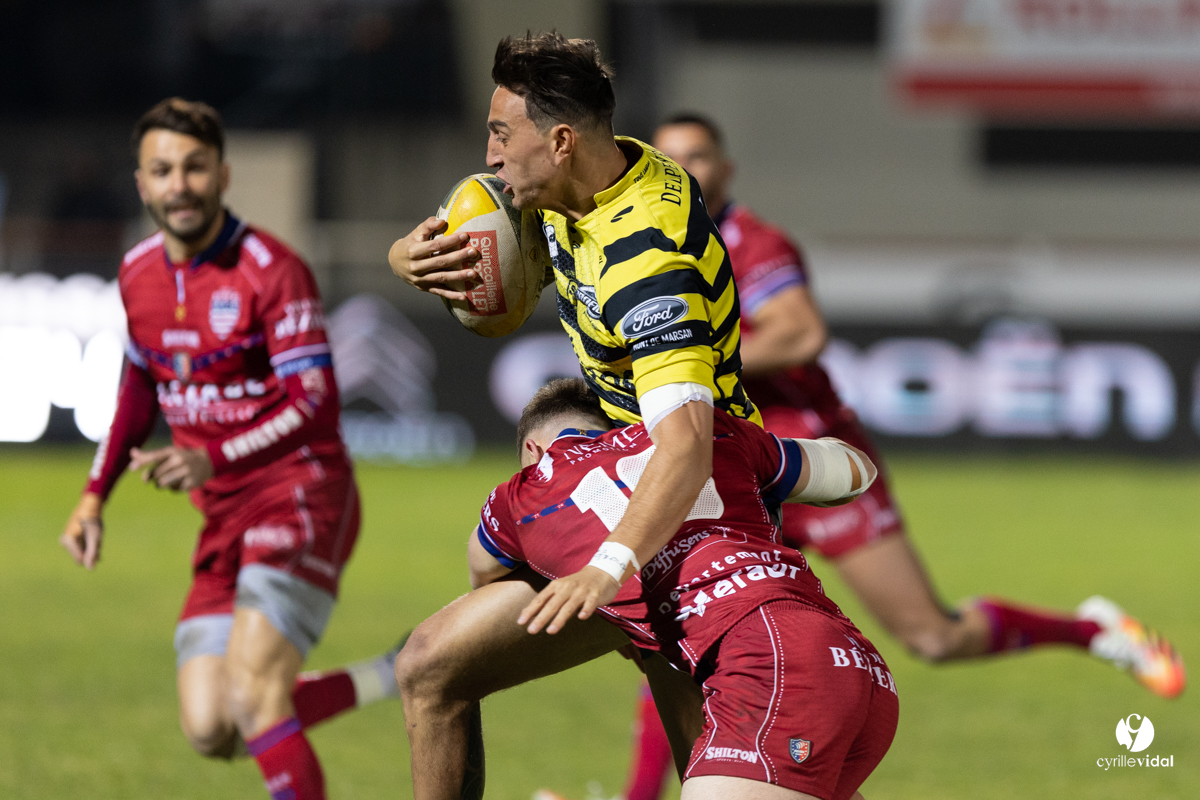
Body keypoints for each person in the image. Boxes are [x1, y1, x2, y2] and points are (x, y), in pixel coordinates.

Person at [601, 112, 1189, 800]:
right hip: (735, 465)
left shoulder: (753, 243)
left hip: (812, 461)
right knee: (695, 629)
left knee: (933, 637)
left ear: (727, 168)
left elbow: (800, 334)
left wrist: (678, 364)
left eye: (700, 156)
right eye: (674, 160)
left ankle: (1093, 630)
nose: (689, 171)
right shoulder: (655, 243)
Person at [386, 33, 765, 800]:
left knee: (724, 780)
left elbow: (686, 445)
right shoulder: (577, 178)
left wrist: (610, 566)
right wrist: (405, 258)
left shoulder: (645, 257)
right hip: (627, 475)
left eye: (500, 134)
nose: (489, 155)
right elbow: (473, 235)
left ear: (557, 141)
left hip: (697, 514)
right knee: (432, 666)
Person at [59, 98, 401, 800]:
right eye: (163, 170)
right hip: (224, 518)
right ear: (141, 184)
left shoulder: (272, 270)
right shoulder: (137, 274)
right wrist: (94, 495)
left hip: (301, 493)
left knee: (252, 696)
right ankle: (395, 674)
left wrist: (214, 459)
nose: (178, 184)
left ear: (222, 174)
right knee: (212, 725)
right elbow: (137, 387)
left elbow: (314, 403)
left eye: (193, 167)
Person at [467, 378, 896, 800]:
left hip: (766, 665)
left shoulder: (521, 494)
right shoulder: (714, 432)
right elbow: (854, 473)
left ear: (533, 450)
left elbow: (483, 576)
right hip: (850, 660)